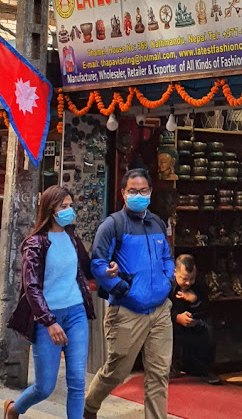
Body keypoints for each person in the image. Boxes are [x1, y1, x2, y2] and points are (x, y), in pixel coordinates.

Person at [4, 186, 118, 419]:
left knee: (76, 382)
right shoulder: (35, 243)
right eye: (63, 207)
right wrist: (49, 322)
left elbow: (87, 270)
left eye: (70, 205)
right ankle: (14, 409)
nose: (69, 211)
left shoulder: (72, 238)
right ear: (50, 210)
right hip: (49, 318)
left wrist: (108, 270)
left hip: (76, 312)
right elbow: (31, 288)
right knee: (44, 387)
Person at [83, 168, 175, 419]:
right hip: (126, 312)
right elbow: (98, 264)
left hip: (159, 311)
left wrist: (168, 281)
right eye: (133, 191)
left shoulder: (156, 222)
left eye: (143, 191)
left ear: (150, 192)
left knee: (158, 373)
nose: (139, 195)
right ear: (123, 193)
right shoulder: (113, 225)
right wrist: (122, 289)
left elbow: (167, 256)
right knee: (117, 371)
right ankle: (89, 406)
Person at [170, 255, 220, 385]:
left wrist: (194, 301)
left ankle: (205, 369)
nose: (188, 283)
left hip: (193, 320)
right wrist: (177, 317)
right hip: (170, 320)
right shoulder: (166, 284)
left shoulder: (199, 283)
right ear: (175, 272)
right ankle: (171, 367)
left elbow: (208, 308)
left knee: (207, 328)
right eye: (184, 279)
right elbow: (158, 309)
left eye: (191, 279)